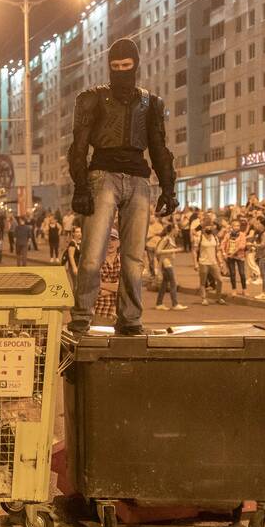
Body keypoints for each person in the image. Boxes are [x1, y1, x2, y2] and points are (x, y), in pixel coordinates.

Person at [67, 37, 177, 335]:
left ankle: (130, 319)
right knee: (91, 255)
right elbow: (78, 146)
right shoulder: (91, 99)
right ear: (109, 67)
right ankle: (81, 317)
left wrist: (168, 187)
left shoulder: (151, 103)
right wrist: (80, 186)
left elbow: (158, 147)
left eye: (126, 66)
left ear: (136, 66)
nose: (120, 72)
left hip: (139, 179)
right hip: (102, 175)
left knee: (133, 258)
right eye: (115, 67)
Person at [154, 225, 187, 311]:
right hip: (166, 263)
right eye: (176, 228)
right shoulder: (166, 239)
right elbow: (158, 250)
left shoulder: (172, 239)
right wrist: (174, 250)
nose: (178, 229)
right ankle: (175, 304)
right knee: (173, 283)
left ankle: (159, 303)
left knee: (164, 284)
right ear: (172, 230)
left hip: (169, 263)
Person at [193, 222, 227, 306]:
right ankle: (204, 298)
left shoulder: (215, 238)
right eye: (207, 227)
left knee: (220, 280)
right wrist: (195, 263)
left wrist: (221, 263)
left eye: (210, 227)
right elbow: (194, 251)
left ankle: (218, 298)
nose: (209, 229)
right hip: (203, 262)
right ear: (203, 228)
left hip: (213, 262)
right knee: (203, 282)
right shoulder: (199, 238)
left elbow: (218, 251)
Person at [221, 219, 249, 297]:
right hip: (230, 256)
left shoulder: (242, 234)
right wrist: (224, 253)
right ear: (232, 226)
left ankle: (244, 289)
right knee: (232, 273)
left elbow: (242, 246)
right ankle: (234, 289)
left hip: (240, 256)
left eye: (238, 226)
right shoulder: (228, 235)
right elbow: (223, 244)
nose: (237, 227)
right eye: (235, 225)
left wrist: (232, 254)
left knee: (242, 273)